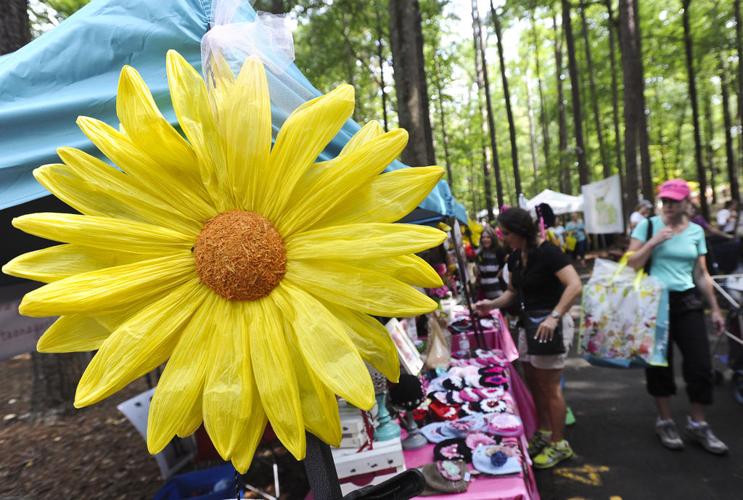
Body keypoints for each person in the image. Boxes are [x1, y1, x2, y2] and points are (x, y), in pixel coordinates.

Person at [627, 179, 728, 455]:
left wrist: (715, 308)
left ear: (687, 202)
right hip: (654, 302)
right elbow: (630, 262)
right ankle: (665, 420)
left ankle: (698, 423)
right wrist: (653, 242)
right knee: (660, 364)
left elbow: (701, 273)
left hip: (688, 302)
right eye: (665, 201)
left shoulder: (696, 231)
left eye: (674, 201)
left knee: (700, 365)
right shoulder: (647, 226)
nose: (668, 206)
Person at [476, 208, 582, 469]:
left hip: (549, 327)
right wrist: (491, 304)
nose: (503, 237)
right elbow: (512, 293)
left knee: (550, 387)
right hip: (527, 326)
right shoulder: (515, 258)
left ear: (521, 231)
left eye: (506, 232)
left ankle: (559, 444)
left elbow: (575, 285)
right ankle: (545, 433)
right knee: (534, 383)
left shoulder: (548, 252)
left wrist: (554, 316)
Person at [475, 227, 506, 299]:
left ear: (493, 238)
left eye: (488, 237)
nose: (485, 239)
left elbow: (507, 265)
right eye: (483, 237)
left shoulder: (500, 251)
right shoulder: (480, 253)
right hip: (485, 294)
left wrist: (502, 270)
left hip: (500, 294)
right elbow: (478, 273)